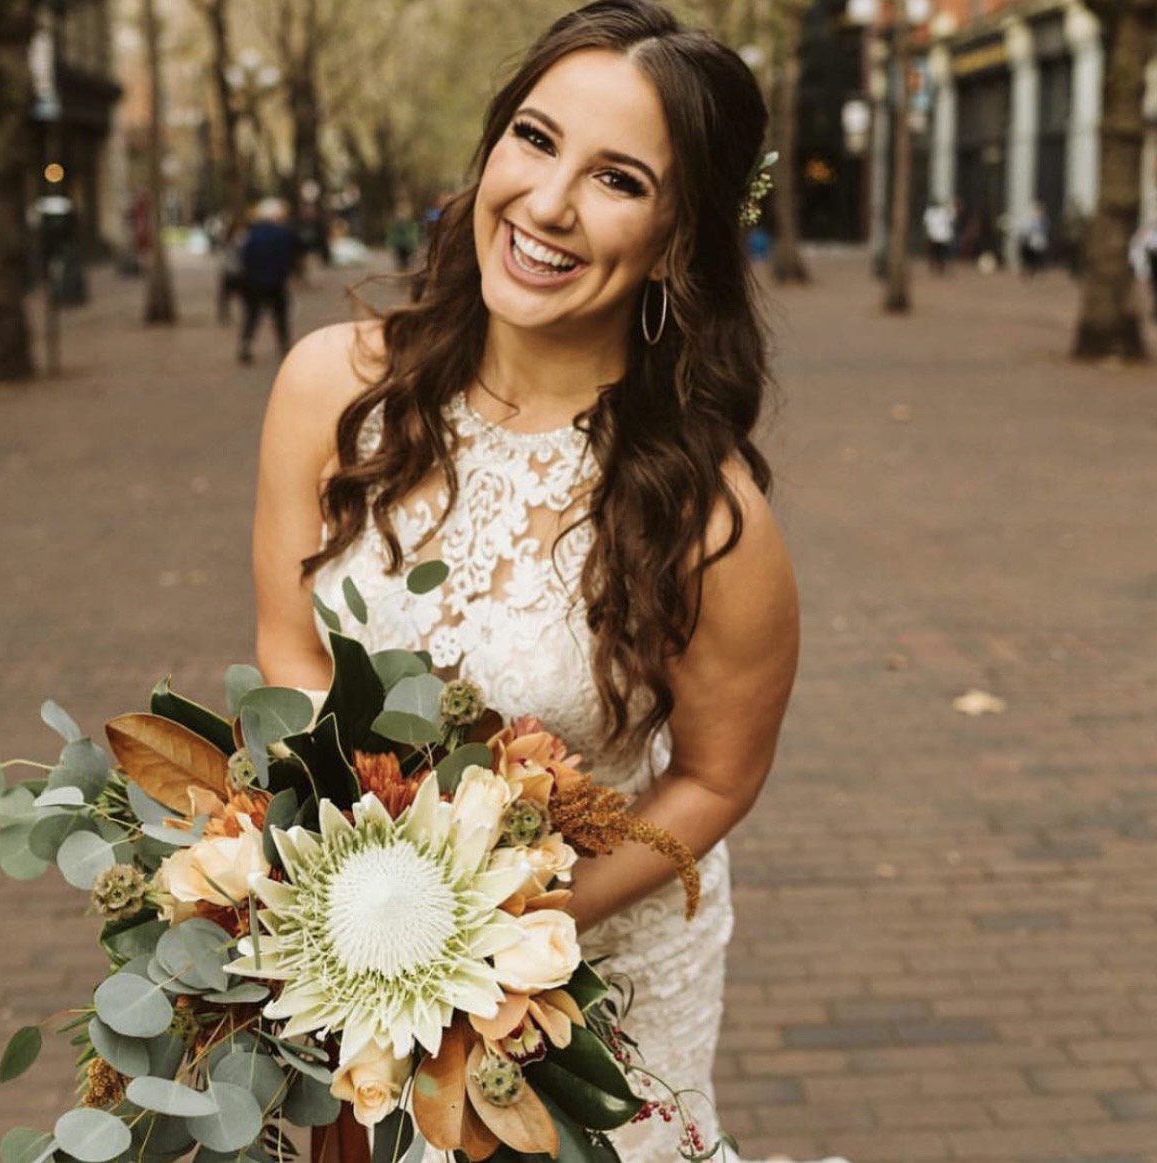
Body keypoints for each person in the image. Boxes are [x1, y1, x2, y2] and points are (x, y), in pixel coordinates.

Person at [253, 3, 822, 1160]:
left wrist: (512, 927)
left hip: (586, 985)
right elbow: (292, 649)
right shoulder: (331, 390)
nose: (549, 203)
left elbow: (716, 780)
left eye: (617, 177)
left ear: (676, 235)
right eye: (534, 137)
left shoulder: (706, 521)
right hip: (355, 948)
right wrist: (352, 888)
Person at [238, 198, 301, 364]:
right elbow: (289, 256)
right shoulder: (283, 233)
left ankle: (246, 345)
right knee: (280, 316)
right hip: (276, 282)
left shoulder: (252, 233)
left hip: (255, 282)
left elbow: (245, 258)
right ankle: (284, 345)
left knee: (252, 316)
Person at [1017, 200, 1049, 278]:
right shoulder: (1031, 220)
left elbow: (1045, 230)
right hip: (1032, 242)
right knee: (1030, 258)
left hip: (1040, 242)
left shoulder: (1044, 221)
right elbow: (1026, 230)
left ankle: (1038, 272)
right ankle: (1029, 271)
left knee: (1039, 258)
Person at [923, 200, 955, 273]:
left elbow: (950, 222)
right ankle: (937, 266)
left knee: (940, 253)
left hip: (939, 236)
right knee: (937, 253)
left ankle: (940, 267)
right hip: (937, 236)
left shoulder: (944, 212)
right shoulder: (931, 212)